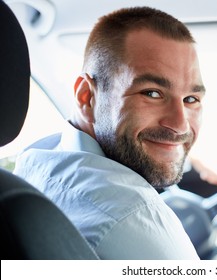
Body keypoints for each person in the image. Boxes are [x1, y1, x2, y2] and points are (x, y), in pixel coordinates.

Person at [14, 7, 207, 260]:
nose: (180, 125)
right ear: (87, 97)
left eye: (191, 99)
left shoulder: (37, 162)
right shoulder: (133, 217)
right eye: (152, 93)